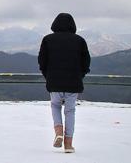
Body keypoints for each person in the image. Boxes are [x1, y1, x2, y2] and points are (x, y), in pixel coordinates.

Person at [38, 13, 91, 153]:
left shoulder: (47, 40)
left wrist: (48, 76)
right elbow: (86, 63)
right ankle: (68, 144)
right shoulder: (80, 40)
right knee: (70, 111)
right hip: (73, 82)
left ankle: (58, 131)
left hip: (54, 81)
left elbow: (42, 62)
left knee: (55, 106)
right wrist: (80, 75)